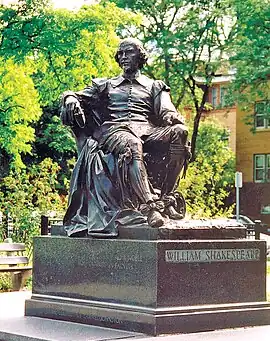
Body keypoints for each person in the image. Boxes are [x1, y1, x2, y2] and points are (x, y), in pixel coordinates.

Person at [61, 38, 190, 236]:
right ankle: (150, 207)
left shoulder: (154, 86)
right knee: (132, 143)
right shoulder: (106, 85)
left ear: (140, 57)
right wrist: (70, 98)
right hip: (114, 130)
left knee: (180, 133)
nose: (123, 57)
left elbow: (166, 111)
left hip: (147, 130)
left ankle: (166, 196)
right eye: (120, 54)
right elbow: (75, 95)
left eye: (127, 53)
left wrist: (173, 118)